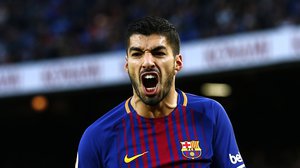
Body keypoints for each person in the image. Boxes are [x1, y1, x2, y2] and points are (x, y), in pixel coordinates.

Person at [75, 16, 246, 168]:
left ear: (177, 63)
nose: (148, 62)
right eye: (137, 54)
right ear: (127, 65)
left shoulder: (210, 114)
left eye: (158, 53)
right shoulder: (96, 136)